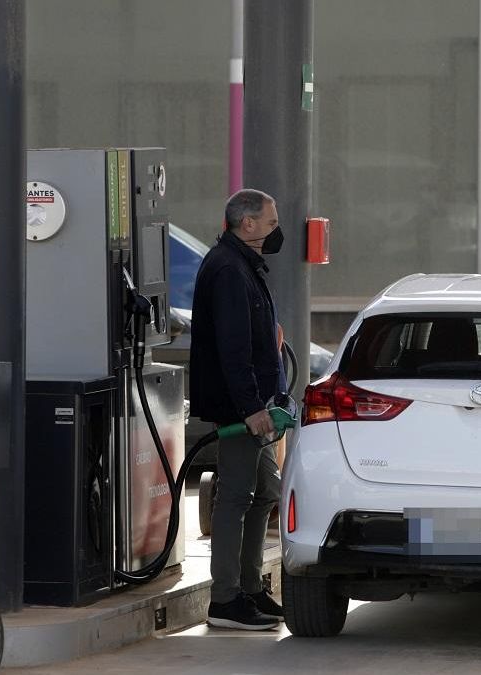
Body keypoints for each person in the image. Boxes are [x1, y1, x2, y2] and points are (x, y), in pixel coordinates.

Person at [190, 188, 288, 631]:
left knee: (266, 491)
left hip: (256, 404)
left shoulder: (243, 265)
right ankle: (225, 599)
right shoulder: (229, 269)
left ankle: (250, 588)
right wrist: (250, 408)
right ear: (246, 224)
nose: (275, 230)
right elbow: (233, 349)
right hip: (240, 409)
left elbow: (253, 334)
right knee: (235, 497)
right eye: (270, 222)